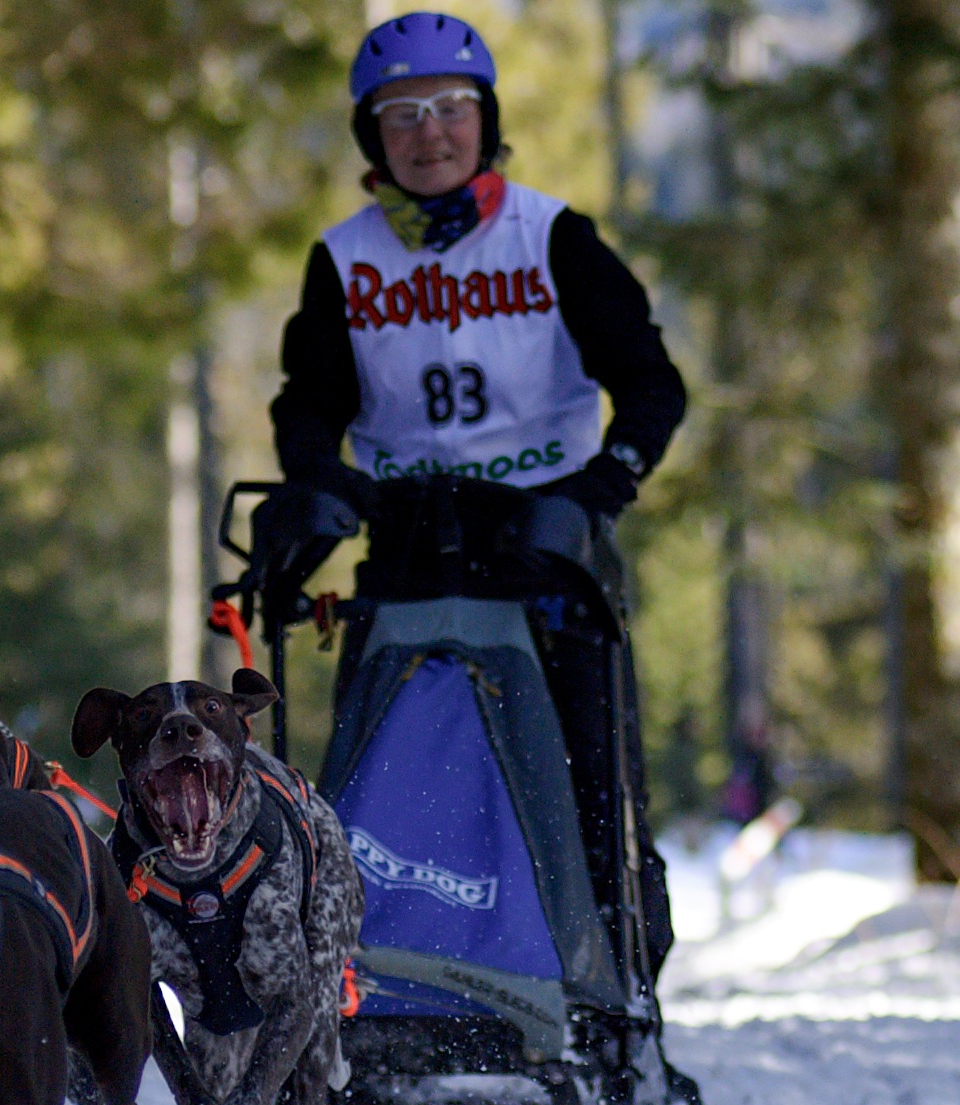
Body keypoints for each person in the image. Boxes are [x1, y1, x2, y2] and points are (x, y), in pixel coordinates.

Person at [262, 10, 686, 986]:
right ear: (372, 137)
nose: (429, 133)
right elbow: (309, 402)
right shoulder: (344, 258)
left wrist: (602, 484)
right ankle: (376, 991)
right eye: (400, 114)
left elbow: (651, 383)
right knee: (391, 774)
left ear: (484, 117)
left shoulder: (552, 238)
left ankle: (603, 988)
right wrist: (318, 484)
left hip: (544, 546)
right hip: (407, 548)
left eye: (451, 107)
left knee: (580, 774)